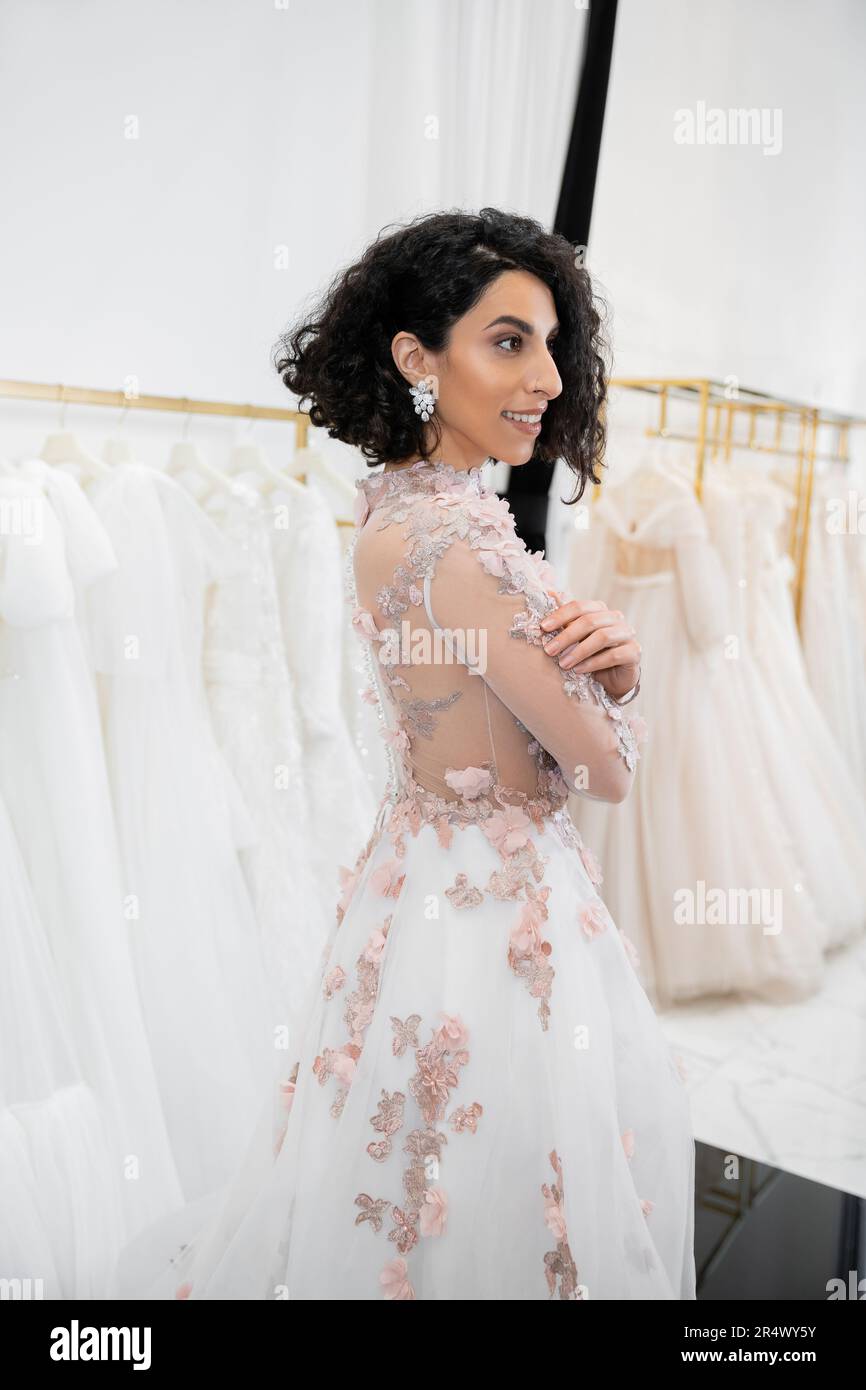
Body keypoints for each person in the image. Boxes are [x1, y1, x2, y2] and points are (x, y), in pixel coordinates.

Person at [115, 206, 695, 1301]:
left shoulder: (400, 514)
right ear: (416, 359)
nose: (549, 380)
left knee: (415, 1180)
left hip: (427, 879)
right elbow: (605, 773)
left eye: (551, 346)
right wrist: (621, 678)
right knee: (490, 1186)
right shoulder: (455, 545)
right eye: (508, 341)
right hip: (490, 905)